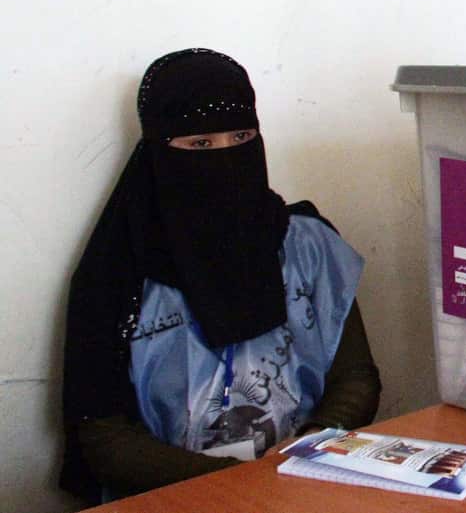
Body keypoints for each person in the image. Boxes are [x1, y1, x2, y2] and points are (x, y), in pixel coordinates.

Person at [60, 48, 382, 501]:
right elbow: (104, 438)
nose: (226, 157)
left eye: (241, 136)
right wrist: (233, 481)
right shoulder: (117, 274)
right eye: (201, 145)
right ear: (158, 150)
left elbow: (356, 376)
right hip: (176, 499)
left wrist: (309, 444)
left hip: (302, 485)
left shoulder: (306, 245)